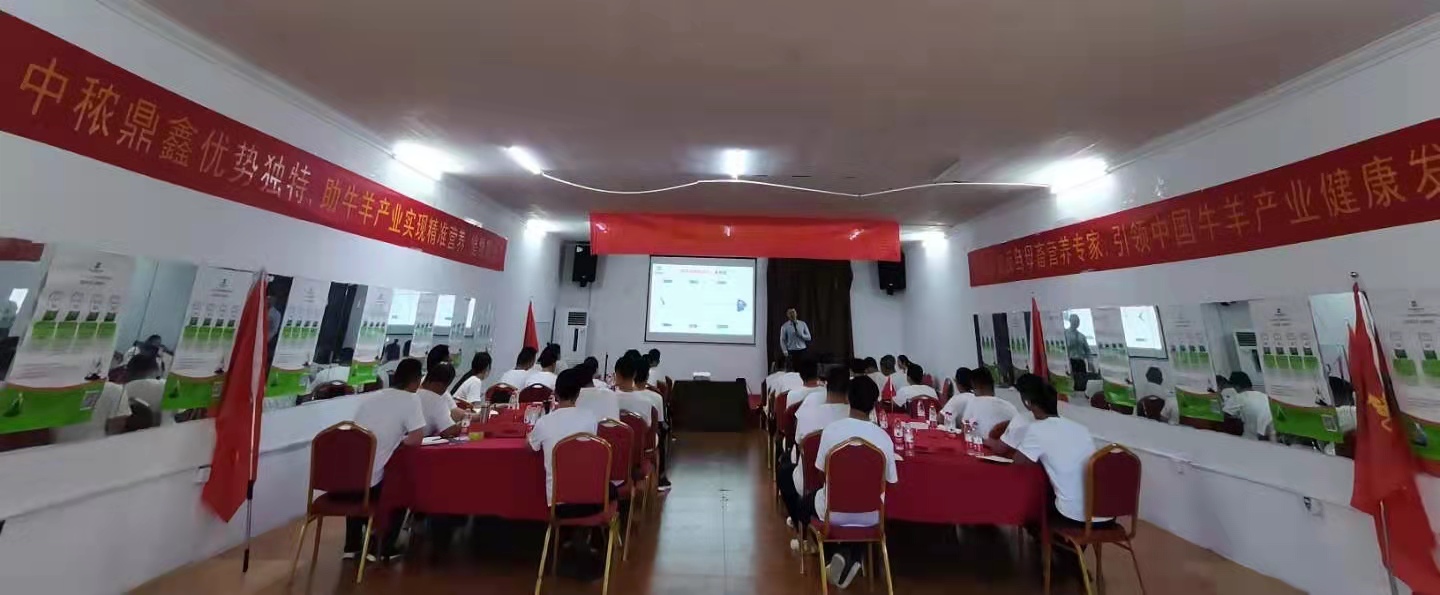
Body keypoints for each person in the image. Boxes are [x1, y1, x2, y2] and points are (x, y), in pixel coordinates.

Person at [809, 376, 897, 589]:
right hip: (872, 518)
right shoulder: (884, 438)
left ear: (848, 398)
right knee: (859, 517)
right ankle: (850, 554)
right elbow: (890, 482)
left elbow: (821, 474)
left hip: (833, 514)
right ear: (875, 403)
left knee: (805, 503)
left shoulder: (832, 431)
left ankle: (835, 553)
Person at [528, 367, 607, 576]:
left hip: (558, 505)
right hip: (593, 502)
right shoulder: (590, 418)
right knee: (607, 488)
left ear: (555, 393)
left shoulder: (544, 422)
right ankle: (584, 540)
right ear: (578, 394)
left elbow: (530, 447)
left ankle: (572, 541)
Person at [345, 357, 426, 561]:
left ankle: (351, 544)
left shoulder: (371, 398)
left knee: (362, 473)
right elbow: (416, 439)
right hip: (372, 484)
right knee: (401, 488)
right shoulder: (411, 399)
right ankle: (383, 546)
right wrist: (399, 440)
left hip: (345, 479)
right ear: (416, 381)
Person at [1010, 373, 1110, 528]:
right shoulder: (1081, 429)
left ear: (1027, 403)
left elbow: (1018, 463)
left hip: (1075, 515)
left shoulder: (1037, 430)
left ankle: (1047, 540)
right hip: (1105, 513)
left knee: (1034, 501)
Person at [780, 367, 852, 532]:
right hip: (852, 487)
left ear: (826, 385)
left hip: (812, 481)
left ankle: (801, 529)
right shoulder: (856, 417)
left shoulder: (808, 413)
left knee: (785, 472)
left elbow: (799, 444)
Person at [632, 363, 672, 489]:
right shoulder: (655, 396)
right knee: (662, 431)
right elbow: (660, 423)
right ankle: (661, 477)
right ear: (647, 376)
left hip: (623, 442)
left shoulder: (615, 395)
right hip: (646, 443)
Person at [986, 374, 1045, 457]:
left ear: (1026, 400)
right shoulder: (1060, 422)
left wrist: (986, 441)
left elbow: (1000, 449)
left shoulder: (1021, 420)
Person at [961, 370, 1019, 438]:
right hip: (1009, 443)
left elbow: (965, 429)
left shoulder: (974, 403)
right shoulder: (1010, 406)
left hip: (983, 443)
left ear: (977, 386)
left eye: (973, 388)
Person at [1222, 371, 1274, 440]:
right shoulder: (1264, 396)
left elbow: (1223, 417)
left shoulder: (1238, 398)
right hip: (1269, 436)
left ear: (1236, 386)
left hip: (1251, 439)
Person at [416, 363, 462, 437]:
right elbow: (449, 431)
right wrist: (461, 425)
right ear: (439, 385)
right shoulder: (436, 400)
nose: (444, 391)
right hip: (417, 442)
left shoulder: (410, 393)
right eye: (445, 387)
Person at [1064, 313, 1092, 385]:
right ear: (1070, 321)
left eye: (1077, 321)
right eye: (1074, 321)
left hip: (1081, 362)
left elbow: (1088, 350)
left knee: (1083, 383)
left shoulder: (1082, 336)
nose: (1076, 323)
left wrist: (1090, 362)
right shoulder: (1065, 334)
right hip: (1071, 362)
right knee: (1073, 382)